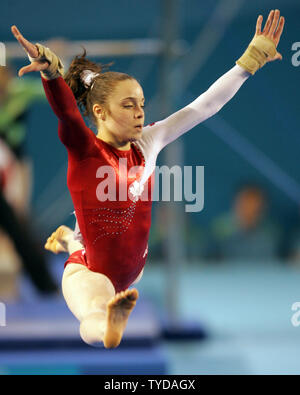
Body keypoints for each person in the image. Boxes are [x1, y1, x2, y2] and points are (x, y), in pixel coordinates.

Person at [11, 9, 285, 348]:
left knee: (91, 253)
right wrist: (52, 72)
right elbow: (67, 114)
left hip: (131, 267)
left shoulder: (149, 142)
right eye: (128, 106)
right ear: (100, 112)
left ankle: (70, 238)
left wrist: (250, 61)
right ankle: (108, 325)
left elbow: (204, 107)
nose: (140, 112)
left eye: (140, 103)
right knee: (93, 314)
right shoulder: (85, 151)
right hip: (90, 271)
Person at [207, 183, 281, 261]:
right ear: (236, 203)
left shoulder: (272, 234)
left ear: (263, 208)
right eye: (246, 204)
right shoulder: (219, 229)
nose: (249, 211)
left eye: (255, 208)